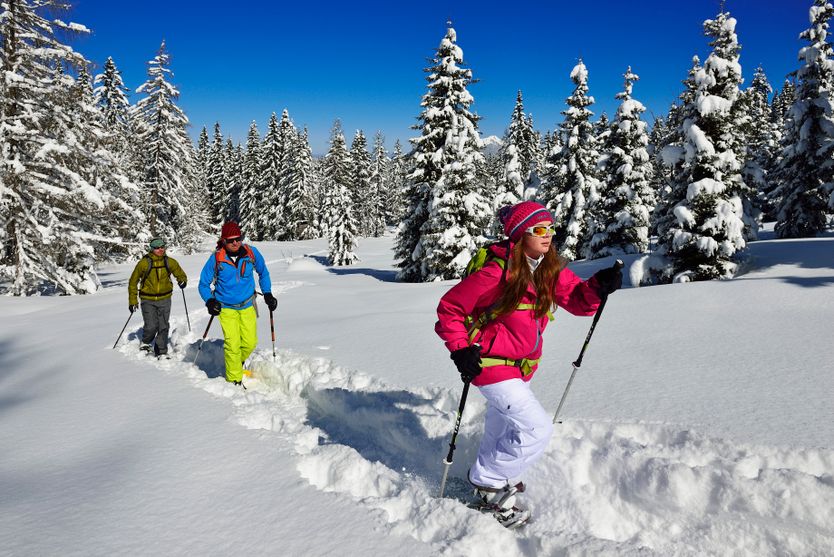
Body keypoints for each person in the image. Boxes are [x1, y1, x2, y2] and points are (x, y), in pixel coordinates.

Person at [435, 201, 622, 528]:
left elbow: (578, 302)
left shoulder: (548, 269)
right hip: (490, 365)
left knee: (501, 427)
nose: (547, 235)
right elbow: (449, 309)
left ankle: (488, 483)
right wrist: (460, 350)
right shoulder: (496, 272)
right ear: (521, 235)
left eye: (550, 228)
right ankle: (488, 480)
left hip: (522, 367)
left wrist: (598, 286)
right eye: (539, 230)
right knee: (537, 428)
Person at [198, 221, 277, 387]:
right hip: (225, 308)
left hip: (248, 304)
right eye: (231, 240)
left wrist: (268, 293)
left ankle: (235, 363)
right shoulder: (217, 258)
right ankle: (234, 379)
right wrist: (210, 300)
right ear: (224, 241)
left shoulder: (251, 253)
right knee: (232, 344)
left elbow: (263, 273)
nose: (235, 242)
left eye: (238, 238)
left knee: (249, 342)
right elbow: (203, 284)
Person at [128, 237, 188, 358]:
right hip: (147, 299)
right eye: (157, 248)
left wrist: (182, 281)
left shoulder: (169, 262)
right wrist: (133, 301)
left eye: (162, 247)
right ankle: (146, 342)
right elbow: (133, 282)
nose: (160, 249)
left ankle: (161, 349)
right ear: (152, 249)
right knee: (151, 325)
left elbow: (180, 273)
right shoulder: (144, 263)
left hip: (165, 298)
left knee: (163, 325)